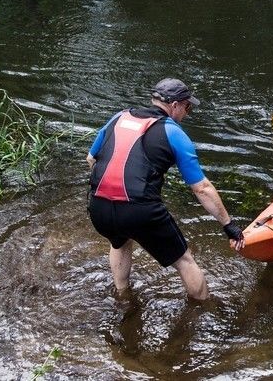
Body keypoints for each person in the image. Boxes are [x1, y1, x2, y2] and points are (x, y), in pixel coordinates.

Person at [86, 78, 244, 301]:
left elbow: (91, 159)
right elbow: (202, 189)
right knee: (184, 260)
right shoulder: (173, 132)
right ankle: (204, 311)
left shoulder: (118, 117)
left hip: (99, 207)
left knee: (119, 243)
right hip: (139, 210)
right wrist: (229, 225)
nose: (187, 113)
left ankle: (123, 298)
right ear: (175, 105)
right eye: (187, 107)